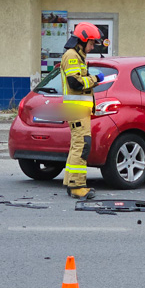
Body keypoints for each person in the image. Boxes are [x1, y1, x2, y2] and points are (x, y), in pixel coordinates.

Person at [61, 23, 104, 199]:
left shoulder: (77, 55)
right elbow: (75, 83)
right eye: (92, 43)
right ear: (82, 40)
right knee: (82, 145)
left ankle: (70, 182)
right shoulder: (72, 56)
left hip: (78, 110)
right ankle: (78, 186)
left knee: (77, 145)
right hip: (77, 110)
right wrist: (95, 79)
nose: (93, 47)